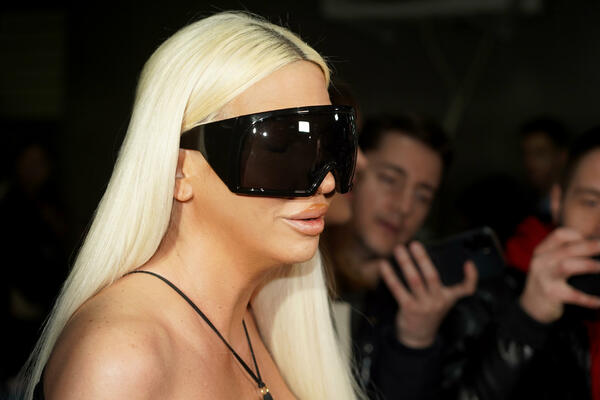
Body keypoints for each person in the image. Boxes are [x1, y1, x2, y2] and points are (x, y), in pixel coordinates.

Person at [18, 12, 363, 400]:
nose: (327, 183)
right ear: (179, 171)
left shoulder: (258, 324)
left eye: (331, 145)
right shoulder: (122, 356)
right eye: (279, 149)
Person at [322, 114, 477, 399]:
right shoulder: (292, 272)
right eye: (390, 180)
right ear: (352, 170)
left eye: (422, 196)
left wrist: (415, 343)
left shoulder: (419, 301)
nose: (404, 206)